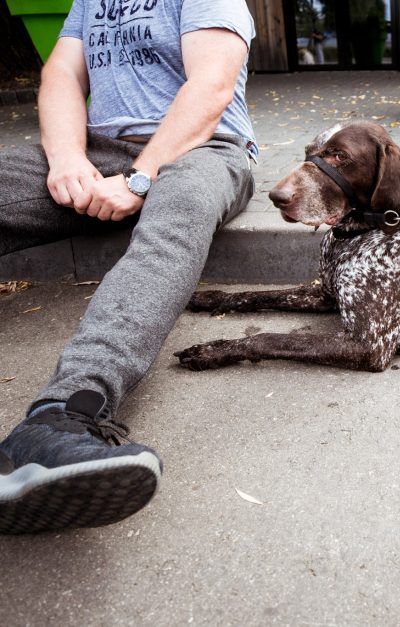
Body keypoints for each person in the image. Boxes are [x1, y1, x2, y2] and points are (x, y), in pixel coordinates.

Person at [0, 0, 258, 534]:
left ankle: (63, 415)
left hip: (204, 151)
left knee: (179, 209)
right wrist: (68, 157)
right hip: (99, 151)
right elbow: (61, 75)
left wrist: (141, 177)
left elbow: (210, 88)